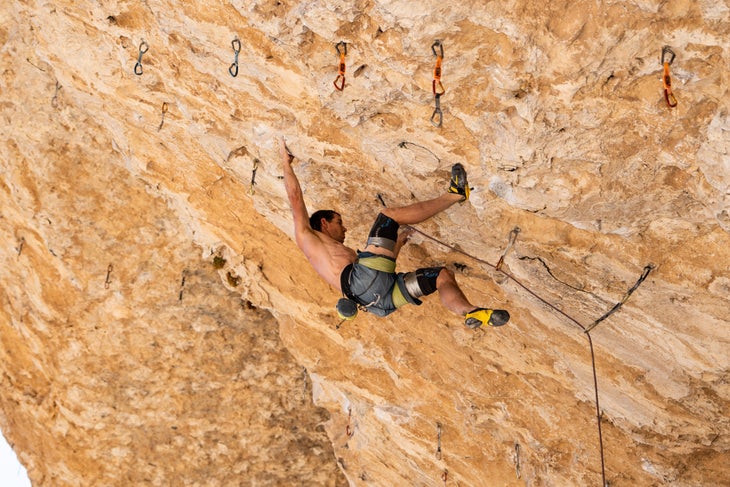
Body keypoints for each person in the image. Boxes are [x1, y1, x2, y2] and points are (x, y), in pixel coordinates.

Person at [280, 137, 509, 328]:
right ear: (324, 223)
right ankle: (457, 194)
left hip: (378, 303)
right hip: (363, 283)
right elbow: (294, 197)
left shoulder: (332, 257)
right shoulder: (307, 236)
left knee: (442, 277)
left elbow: (380, 271)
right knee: (389, 217)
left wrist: (397, 243)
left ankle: (470, 311)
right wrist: (285, 163)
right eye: (339, 222)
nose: (345, 228)